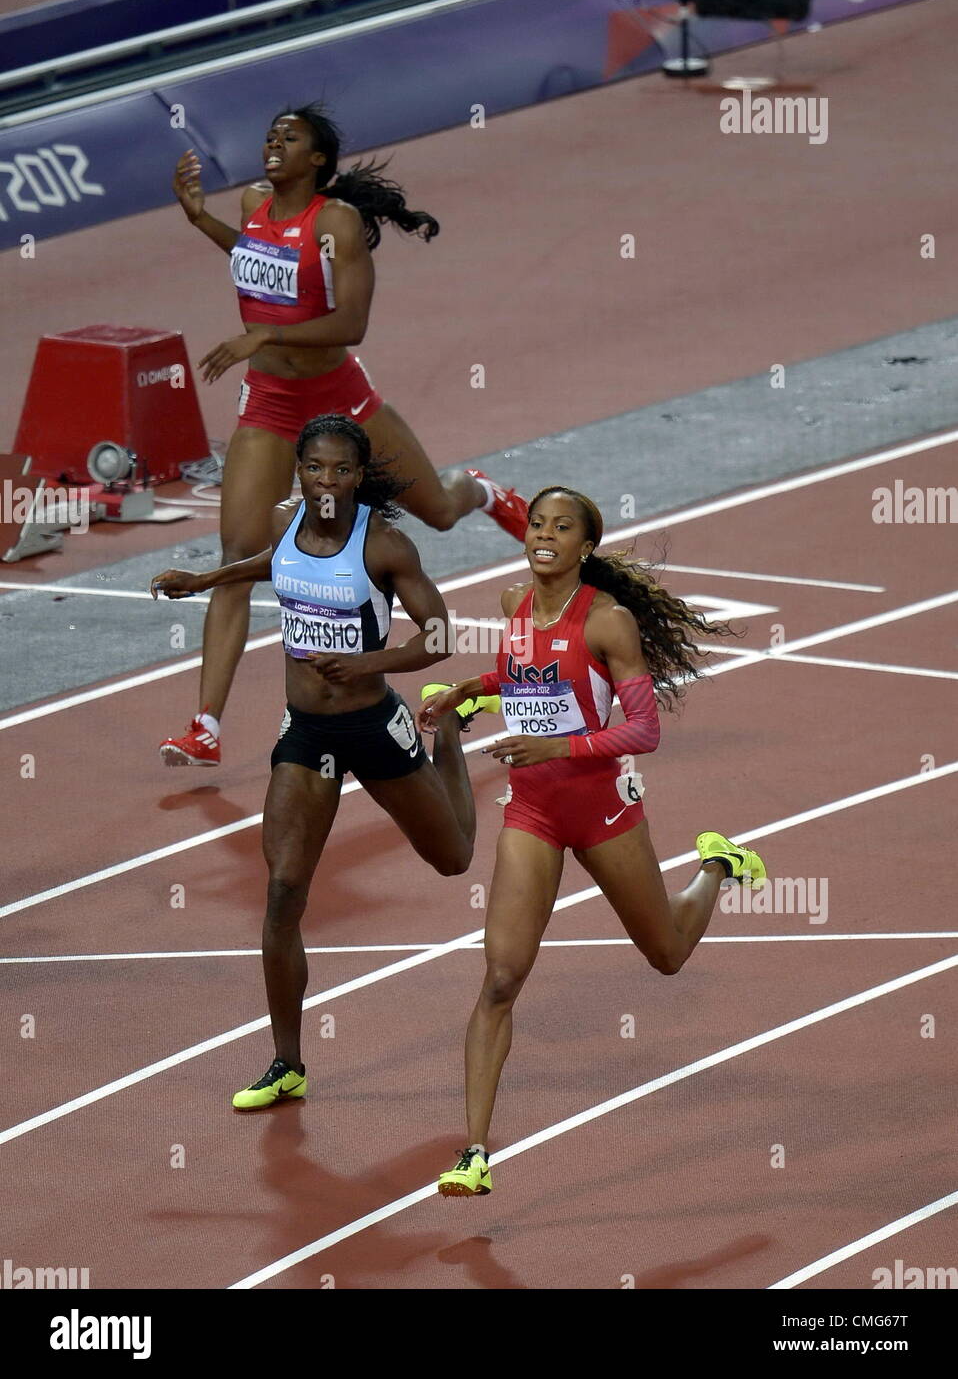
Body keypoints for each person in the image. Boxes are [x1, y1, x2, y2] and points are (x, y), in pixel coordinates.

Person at [416, 486, 766, 1196]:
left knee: (666, 955)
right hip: (534, 815)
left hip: (603, 808)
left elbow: (643, 731)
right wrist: (469, 690)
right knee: (501, 979)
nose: (544, 534)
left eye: (561, 526)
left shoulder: (609, 624)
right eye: (538, 522)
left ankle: (717, 866)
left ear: (586, 545)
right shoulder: (513, 599)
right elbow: (522, 674)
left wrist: (557, 747)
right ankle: (474, 1152)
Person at [161, 102, 527, 765]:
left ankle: (477, 489)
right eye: (269, 133)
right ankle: (205, 726)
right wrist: (201, 219)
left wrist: (265, 331)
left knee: (438, 513)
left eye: (289, 137)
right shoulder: (249, 203)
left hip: (341, 400)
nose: (273, 142)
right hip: (271, 403)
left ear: (319, 160)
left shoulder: (337, 223)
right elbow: (258, 254)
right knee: (240, 554)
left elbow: (350, 323)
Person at [151, 415, 499, 1109]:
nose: (328, 482)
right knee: (282, 892)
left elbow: (440, 634)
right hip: (307, 732)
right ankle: (287, 1063)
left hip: (373, 725)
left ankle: (451, 732)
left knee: (454, 859)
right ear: (299, 472)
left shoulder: (384, 546)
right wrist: (204, 578)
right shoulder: (288, 523)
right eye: (316, 468)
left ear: (360, 476)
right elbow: (273, 565)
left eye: (342, 470)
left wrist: (369, 663)